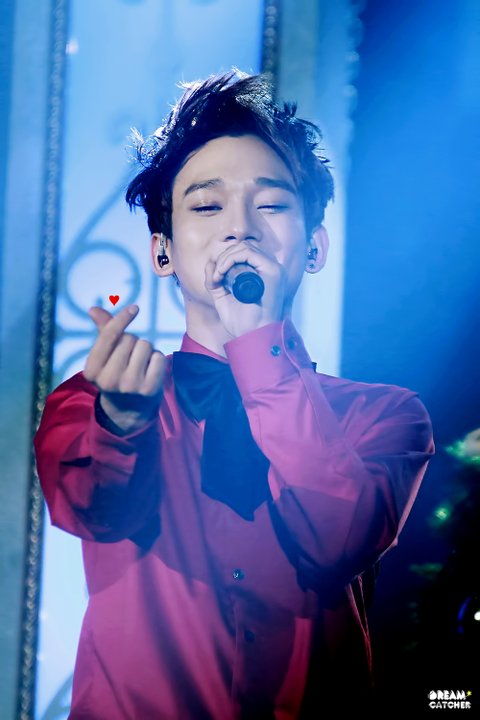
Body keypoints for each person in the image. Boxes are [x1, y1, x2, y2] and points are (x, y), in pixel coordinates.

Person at [34, 71, 435, 719]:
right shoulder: (95, 400)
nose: (240, 229)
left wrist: (259, 348)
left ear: (314, 247)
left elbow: (338, 541)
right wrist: (120, 422)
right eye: (206, 206)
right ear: (162, 252)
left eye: (271, 206)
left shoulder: (384, 417)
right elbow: (91, 509)